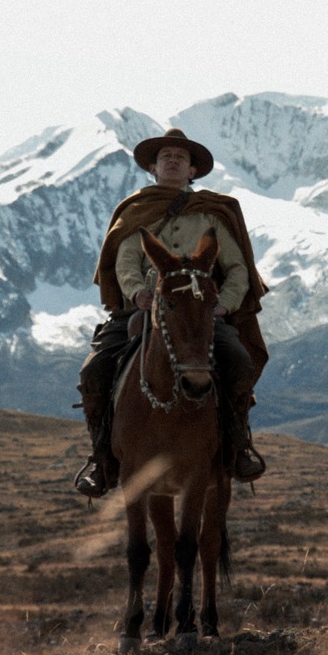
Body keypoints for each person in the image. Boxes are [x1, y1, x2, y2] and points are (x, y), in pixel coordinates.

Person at [73, 127, 269, 497]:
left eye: (181, 157)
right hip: (142, 308)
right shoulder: (136, 212)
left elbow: (238, 268)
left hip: (199, 314)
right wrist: (137, 293)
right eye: (166, 157)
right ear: (153, 166)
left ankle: (237, 445)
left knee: (239, 364)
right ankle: (101, 458)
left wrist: (224, 303)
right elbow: (125, 261)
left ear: (193, 170)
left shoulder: (212, 214)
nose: (173, 161)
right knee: (93, 371)